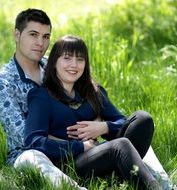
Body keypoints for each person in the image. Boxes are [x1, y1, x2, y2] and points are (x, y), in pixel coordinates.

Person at [24, 35, 164, 190]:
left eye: (80, 59)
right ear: (54, 62)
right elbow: (34, 141)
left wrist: (103, 127)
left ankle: (123, 177)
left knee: (143, 119)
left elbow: (122, 121)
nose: (74, 65)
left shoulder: (92, 91)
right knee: (121, 145)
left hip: (100, 154)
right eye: (67, 58)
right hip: (71, 163)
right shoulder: (41, 96)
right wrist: (81, 146)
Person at [0, 9, 86, 189]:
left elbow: (88, 97)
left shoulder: (54, 65)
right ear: (16, 34)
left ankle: (155, 180)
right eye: (33, 35)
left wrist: (96, 126)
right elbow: (25, 137)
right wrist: (77, 145)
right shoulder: (3, 83)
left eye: (46, 36)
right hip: (32, 153)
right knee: (32, 157)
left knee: (127, 133)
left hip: (74, 145)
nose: (41, 43)